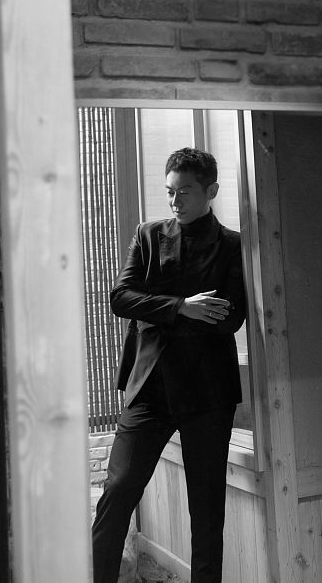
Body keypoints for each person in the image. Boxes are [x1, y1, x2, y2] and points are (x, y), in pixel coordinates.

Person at [91, 147, 246, 583]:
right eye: (169, 191)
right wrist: (182, 307)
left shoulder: (233, 245)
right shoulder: (148, 235)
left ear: (211, 191)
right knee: (118, 489)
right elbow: (121, 298)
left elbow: (231, 317)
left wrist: (156, 309)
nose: (175, 201)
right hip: (150, 388)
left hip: (208, 393)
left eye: (184, 191)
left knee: (207, 507)